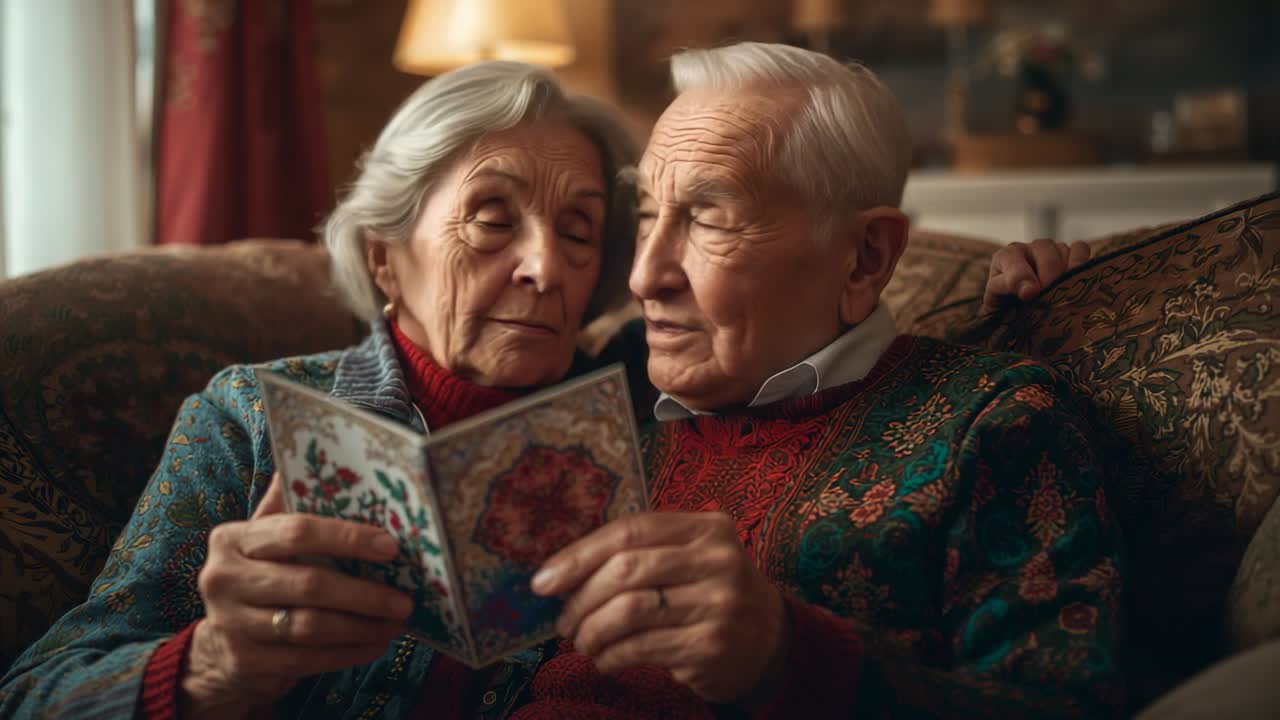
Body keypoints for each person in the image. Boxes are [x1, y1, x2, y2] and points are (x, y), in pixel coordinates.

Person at [0, 55, 1090, 720]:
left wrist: (1000, 277)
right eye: (491, 218)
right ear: (385, 257)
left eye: (579, 231)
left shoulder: (635, 405)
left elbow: (810, 336)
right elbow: (39, 691)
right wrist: (211, 670)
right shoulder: (253, 417)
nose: (548, 267)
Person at [520, 43, 1123, 719]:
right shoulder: (611, 392)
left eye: (710, 217)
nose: (644, 278)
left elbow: (1064, 704)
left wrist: (783, 656)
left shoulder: (993, 422)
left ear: (866, 258)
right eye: (648, 216)